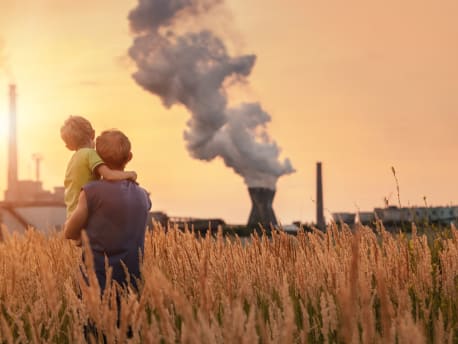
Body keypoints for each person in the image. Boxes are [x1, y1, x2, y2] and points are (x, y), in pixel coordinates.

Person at [64, 129, 151, 291]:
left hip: (95, 285)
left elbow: (69, 232)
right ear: (129, 157)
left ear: (97, 157)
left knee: (93, 317)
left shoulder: (90, 192)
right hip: (132, 286)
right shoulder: (143, 195)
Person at [61, 116, 137, 219]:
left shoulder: (74, 159)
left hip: (72, 215)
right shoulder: (90, 154)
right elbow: (109, 175)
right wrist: (130, 174)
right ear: (93, 134)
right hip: (85, 216)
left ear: (69, 147)